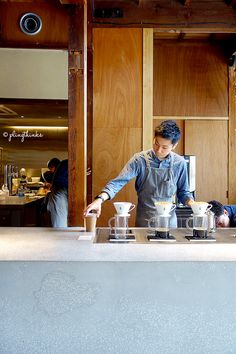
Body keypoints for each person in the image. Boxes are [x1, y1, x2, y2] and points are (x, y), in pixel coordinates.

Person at [83, 120, 194, 227]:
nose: (158, 150)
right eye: (156, 144)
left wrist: (193, 204)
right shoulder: (140, 159)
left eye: (164, 147)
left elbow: (183, 193)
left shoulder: (180, 163)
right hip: (145, 223)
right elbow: (118, 182)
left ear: (174, 145)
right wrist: (99, 200)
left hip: (169, 224)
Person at [47, 159, 68, 227]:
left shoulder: (65, 163)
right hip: (59, 196)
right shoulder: (65, 163)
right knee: (60, 226)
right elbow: (59, 181)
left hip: (62, 196)